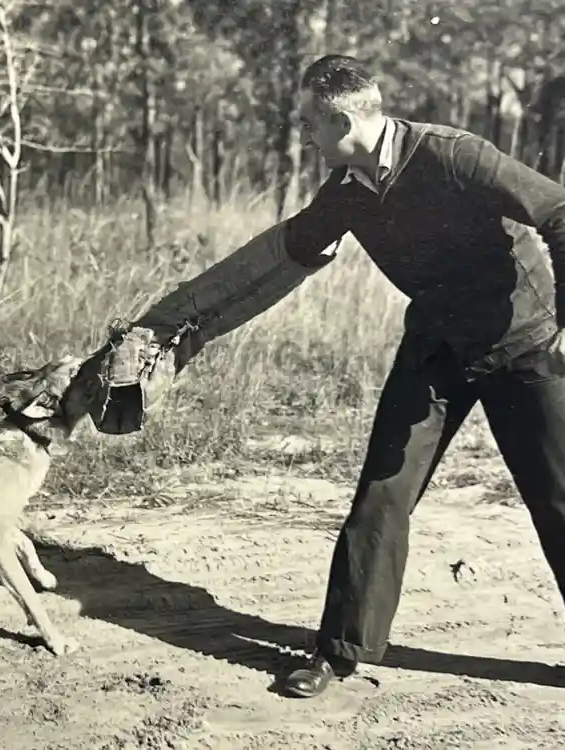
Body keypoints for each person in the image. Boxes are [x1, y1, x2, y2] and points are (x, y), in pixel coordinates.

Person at [80, 53, 565, 699]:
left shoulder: (454, 155)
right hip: (436, 350)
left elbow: (559, 212)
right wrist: (165, 327)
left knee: (556, 499)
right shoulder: (344, 192)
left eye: (309, 122)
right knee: (381, 495)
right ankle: (338, 653)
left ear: (341, 120)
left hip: (523, 343)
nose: (304, 136)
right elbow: (271, 260)